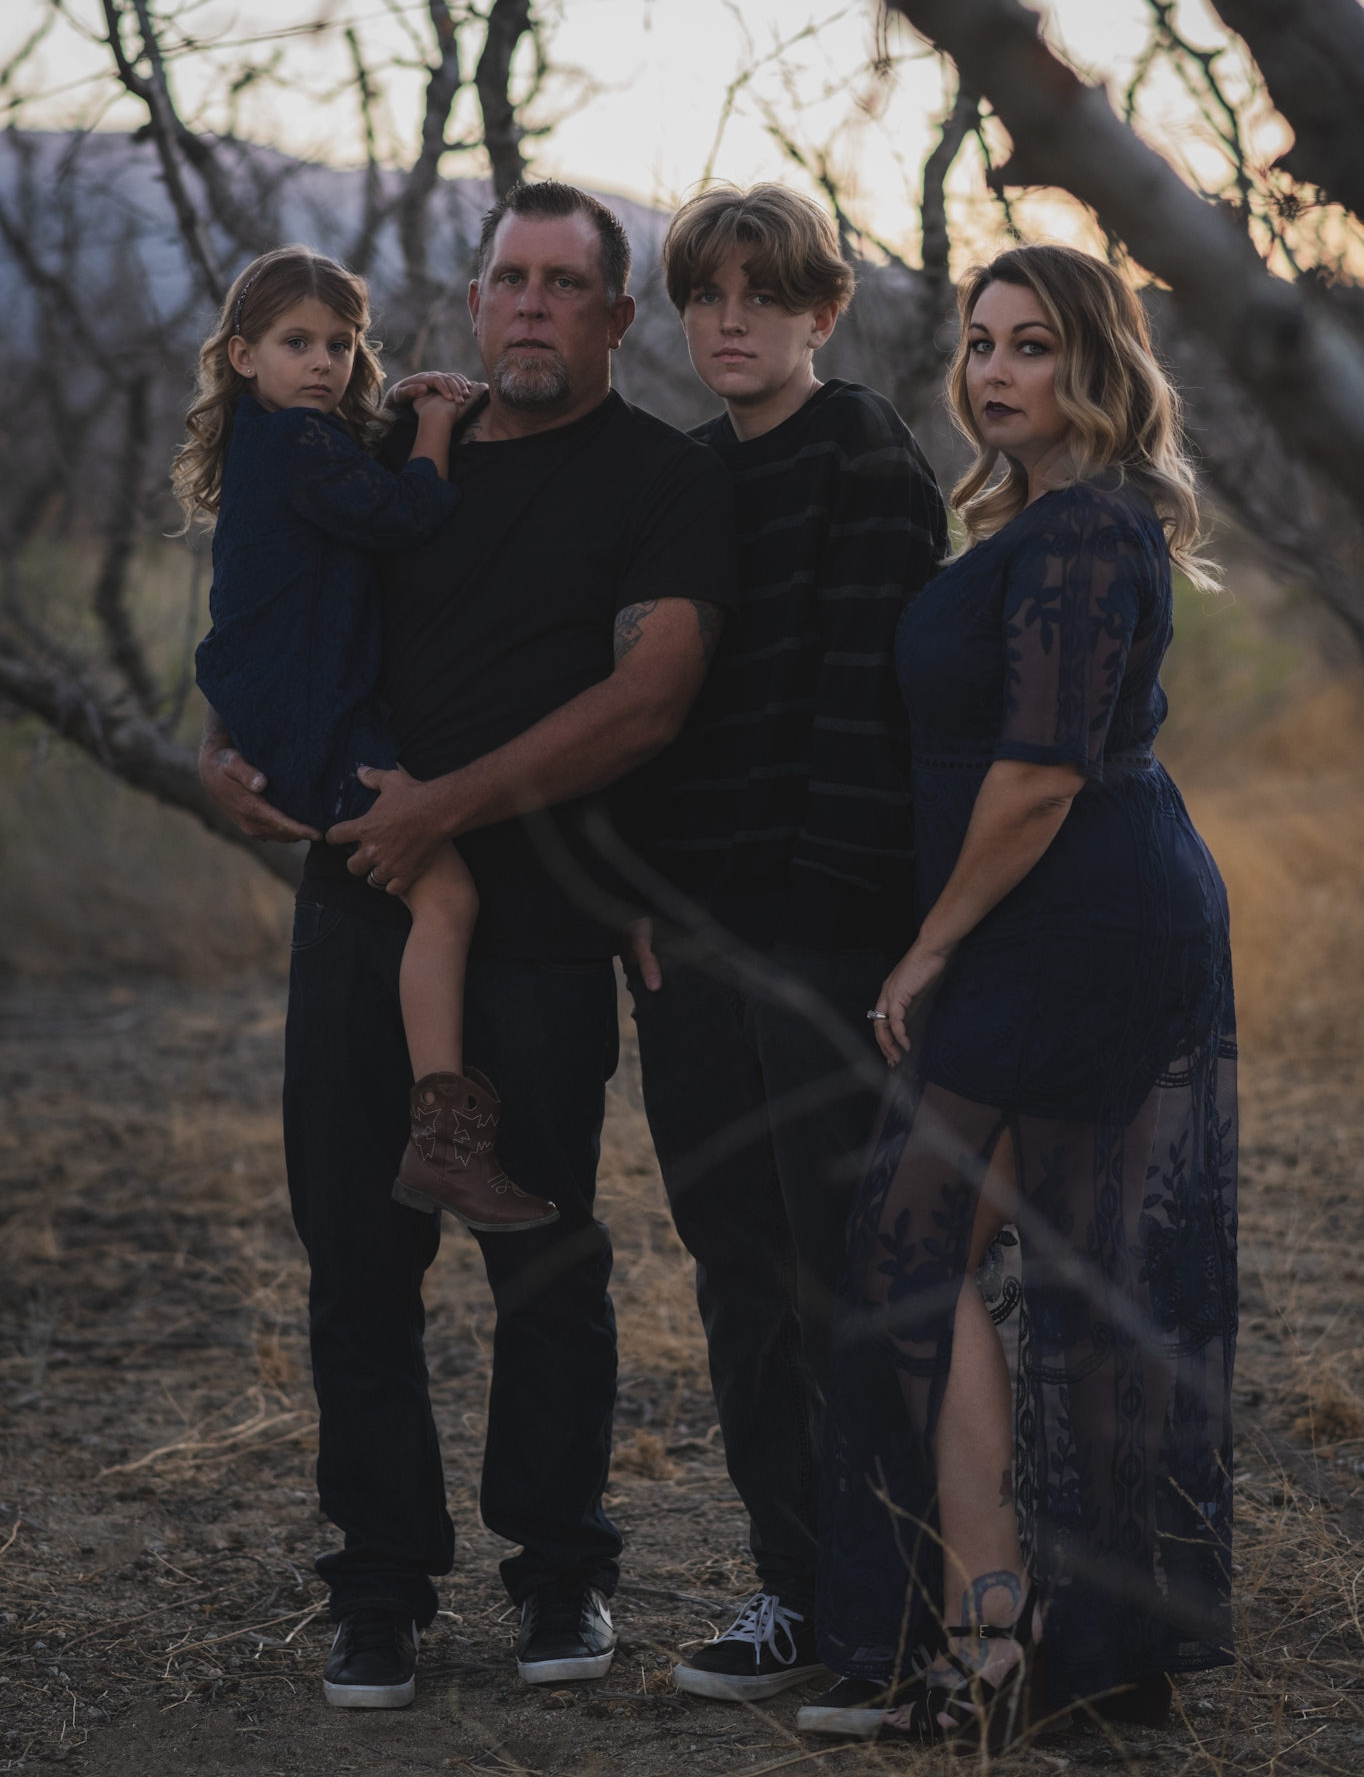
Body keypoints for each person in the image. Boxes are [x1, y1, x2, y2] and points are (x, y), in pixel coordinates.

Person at [198, 182, 737, 1709]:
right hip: (358, 918)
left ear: (617, 317)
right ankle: (379, 1585)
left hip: (544, 932)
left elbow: (653, 701)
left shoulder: (659, 477)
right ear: (479, 292)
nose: (527, 305)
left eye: (564, 285)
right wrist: (219, 743)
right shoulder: (376, 449)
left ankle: (561, 1572)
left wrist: (445, 808)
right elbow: (277, 604)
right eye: (508, 277)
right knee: (357, 1269)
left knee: (546, 1263)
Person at [799, 245, 1238, 1749]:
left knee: (920, 1254)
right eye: (981, 344)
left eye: (1032, 345)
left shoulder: (1082, 537)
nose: (994, 372)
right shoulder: (1045, 520)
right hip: (1057, 918)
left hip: (1072, 922)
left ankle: (1016, 1636)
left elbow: (1043, 774)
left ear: (1097, 363)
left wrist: (927, 947)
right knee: (1013, 1271)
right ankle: (1040, 1641)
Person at [622, 185, 947, 1700]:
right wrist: (638, 898)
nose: (730, 321)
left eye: (764, 295)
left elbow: (862, 718)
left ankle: (896, 1610)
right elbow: (648, 713)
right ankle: (794, 1588)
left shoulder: (863, 455)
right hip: (683, 943)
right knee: (735, 1270)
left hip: (817, 939)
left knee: (841, 1276)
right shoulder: (680, 476)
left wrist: (825, 940)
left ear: (824, 311)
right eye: (705, 297)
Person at [181, 246, 557, 1241]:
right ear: (242, 355)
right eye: (296, 342)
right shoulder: (299, 448)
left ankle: (435, 1126)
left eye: (340, 343)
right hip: (313, 719)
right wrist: (434, 422)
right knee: (448, 891)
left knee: (436, 895)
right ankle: (441, 1136)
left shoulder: (277, 443)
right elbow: (406, 515)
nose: (323, 362)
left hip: (287, 704)